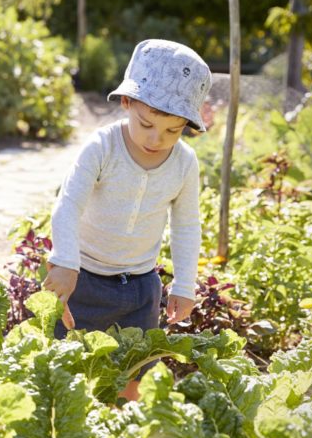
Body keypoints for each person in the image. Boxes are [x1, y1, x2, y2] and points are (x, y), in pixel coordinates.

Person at [42, 39, 210, 399]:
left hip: (140, 288)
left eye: (172, 130)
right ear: (126, 102)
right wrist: (65, 262)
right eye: (147, 124)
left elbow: (186, 226)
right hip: (82, 280)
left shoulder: (184, 164)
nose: (157, 138)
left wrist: (184, 285)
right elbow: (68, 204)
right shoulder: (102, 147)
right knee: (68, 372)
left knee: (132, 375)